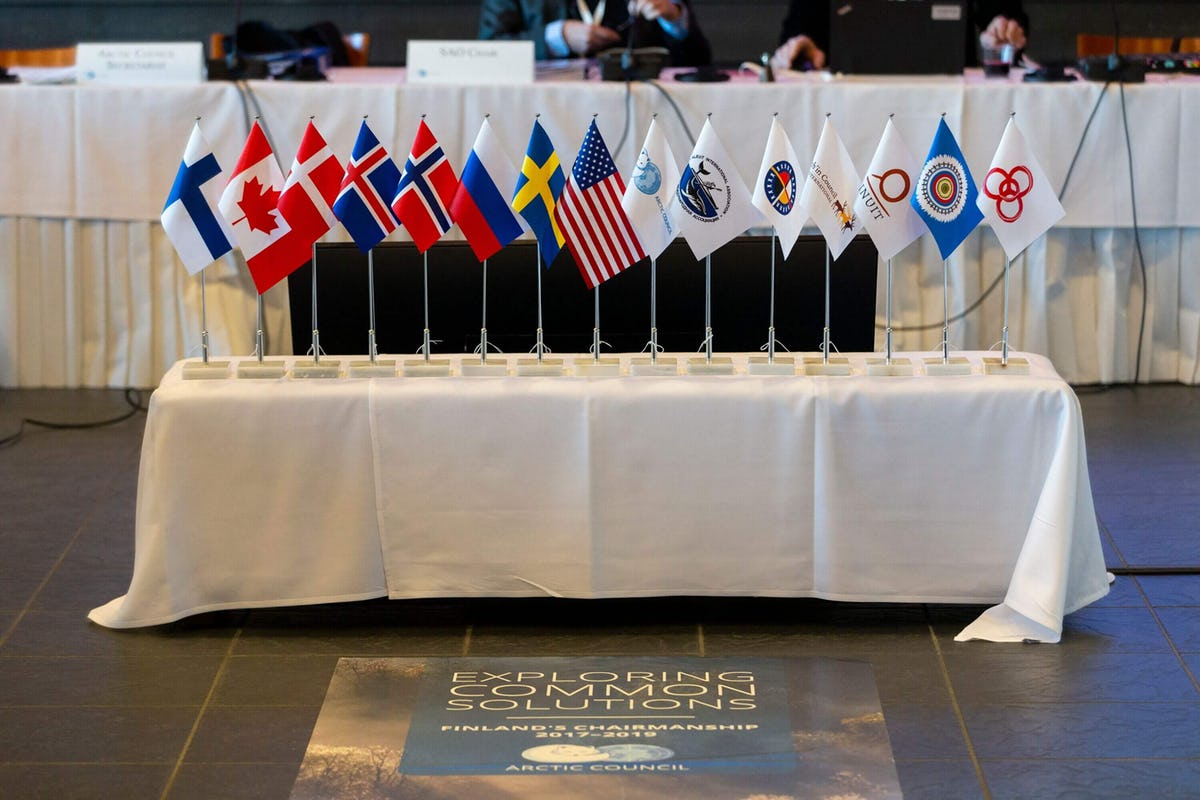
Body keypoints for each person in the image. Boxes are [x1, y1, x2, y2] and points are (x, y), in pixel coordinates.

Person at [771, 0, 1027, 71]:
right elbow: (799, 28)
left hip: (951, 101)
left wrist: (1002, 28)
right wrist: (799, 46)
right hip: (844, 100)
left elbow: (1005, 13)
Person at [479, 0, 712, 67]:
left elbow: (699, 62)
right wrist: (557, 37)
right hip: (542, 114)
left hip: (638, 114)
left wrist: (674, 17)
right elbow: (488, 53)